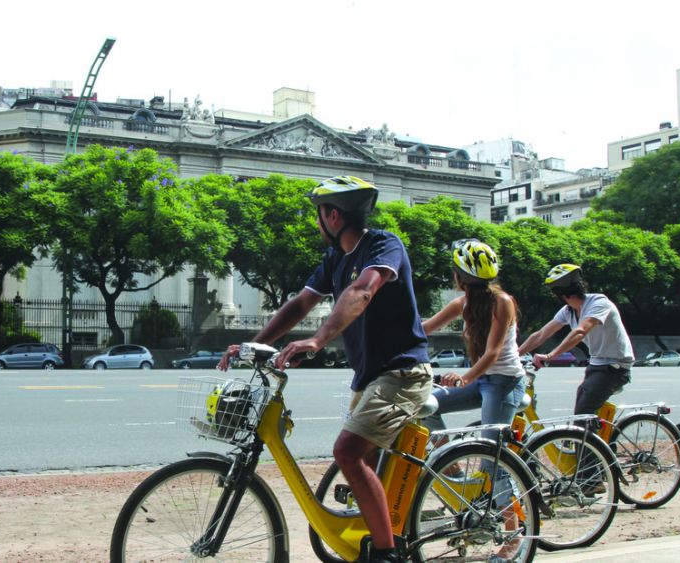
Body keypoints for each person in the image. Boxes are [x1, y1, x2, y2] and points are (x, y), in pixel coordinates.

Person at [217, 175, 432, 563]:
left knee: (347, 453)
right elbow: (300, 303)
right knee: (359, 463)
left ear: (332, 216)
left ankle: (386, 554)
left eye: (318, 215)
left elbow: (362, 291)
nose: (317, 224)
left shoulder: (384, 245)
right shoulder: (335, 259)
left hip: (403, 373)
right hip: (370, 378)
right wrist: (259, 343)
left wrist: (317, 340)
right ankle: (373, 536)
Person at [420, 239, 526, 562]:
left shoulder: (502, 303)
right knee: (427, 405)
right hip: (481, 380)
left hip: (504, 383)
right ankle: (450, 466)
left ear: (459, 276)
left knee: (492, 459)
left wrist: (465, 377)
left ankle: (514, 534)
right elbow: (424, 328)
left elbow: (493, 353)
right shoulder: (462, 304)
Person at [518, 263, 634, 420]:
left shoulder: (599, 303)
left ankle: (586, 444)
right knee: (582, 408)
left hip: (615, 367)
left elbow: (580, 332)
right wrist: (514, 355)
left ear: (559, 293)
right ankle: (591, 441)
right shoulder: (568, 311)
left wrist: (550, 356)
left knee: (583, 412)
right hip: (597, 364)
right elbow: (541, 334)